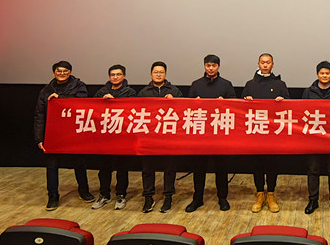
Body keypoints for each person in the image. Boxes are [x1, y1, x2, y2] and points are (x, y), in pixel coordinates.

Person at [33, 60, 94, 210]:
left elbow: (83, 103)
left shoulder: (79, 86)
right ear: (54, 73)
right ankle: (53, 196)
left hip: (74, 132)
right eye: (59, 71)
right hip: (53, 134)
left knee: (79, 164)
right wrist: (39, 138)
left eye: (65, 71)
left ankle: (84, 191)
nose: (62, 74)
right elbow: (39, 115)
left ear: (70, 72)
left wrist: (60, 98)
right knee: (51, 166)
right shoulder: (46, 90)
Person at [185, 54, 236, 212]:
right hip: (200, 133)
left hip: (219, 133)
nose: (211, 68)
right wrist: (195, 103)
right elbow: (186, 108)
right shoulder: (196, 84)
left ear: (218, 67)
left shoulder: (226, 85)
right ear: (204, 66)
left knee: (221, 169)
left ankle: (222, 198)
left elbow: (235, 106)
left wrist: (224, 103)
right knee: (198, 169)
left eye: (214, 65)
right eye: (208, 65)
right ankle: (197, 198)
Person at [243, 53, 289, 213]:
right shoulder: (250, 84)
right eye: (262, 62)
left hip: (274, 133)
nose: (265, 65)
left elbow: (290, 106)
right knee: (257, 165)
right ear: (258, 64)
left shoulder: (280, 84)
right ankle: (259, 194)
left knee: (272, 165)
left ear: (272, 64)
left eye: (268, 62)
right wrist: (246, 101)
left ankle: (271, 194)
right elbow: (240, 108)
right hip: (256, 132)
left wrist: (282, 102)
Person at [302, 60, 330, 215]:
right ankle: (313, 200)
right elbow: (301, 113)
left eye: (327, 73)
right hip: (313, 138)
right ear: (317, 74)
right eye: (322, 73)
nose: (324, 76)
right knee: (313, 170)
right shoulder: (308, 92)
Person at [139, 61, 182, 213]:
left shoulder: (174, 91)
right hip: (149, 137)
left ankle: (168, 196)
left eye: (161, 72)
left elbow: (183, 112)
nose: (158, 75)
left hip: (169, 138)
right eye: (156, 72)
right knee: (147, 169)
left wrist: (175, 102)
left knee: (169, 168)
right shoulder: (143, 92)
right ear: (151, 74)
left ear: (165, 74)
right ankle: (148, 197)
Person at [92, 64, 136, 210]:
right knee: (104, 169)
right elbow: (92, 111)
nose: (115, 77)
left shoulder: (130, 92)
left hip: (122, 137)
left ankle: (121, 195)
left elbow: (131, 111)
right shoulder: (101, 92)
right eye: (112, 75)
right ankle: (104, 195)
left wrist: (114, 102)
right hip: (105, 137)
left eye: (118, 74)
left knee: (122, 169)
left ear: (124, 76)